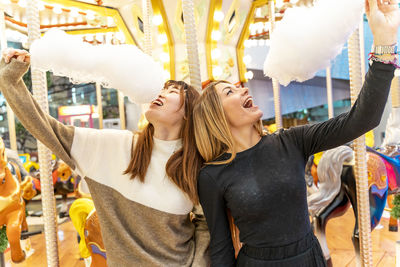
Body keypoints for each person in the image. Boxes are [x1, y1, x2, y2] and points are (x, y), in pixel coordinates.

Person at [193, 0, 399, 266]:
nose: (243, 89)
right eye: (229, 91)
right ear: (213, 116)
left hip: (308, 258)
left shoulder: (290, 141)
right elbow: (221, 248)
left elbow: (362, 119)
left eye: (239, 87)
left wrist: (385, 40)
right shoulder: (212, 175)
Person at [0, 48, 209, 266]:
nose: (161, 93)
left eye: (173, 91)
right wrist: (11, 80)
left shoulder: (195, 164)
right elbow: (47, 128)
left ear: (188, 112)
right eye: (162, 88)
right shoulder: (114, 146)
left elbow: (206, 222)